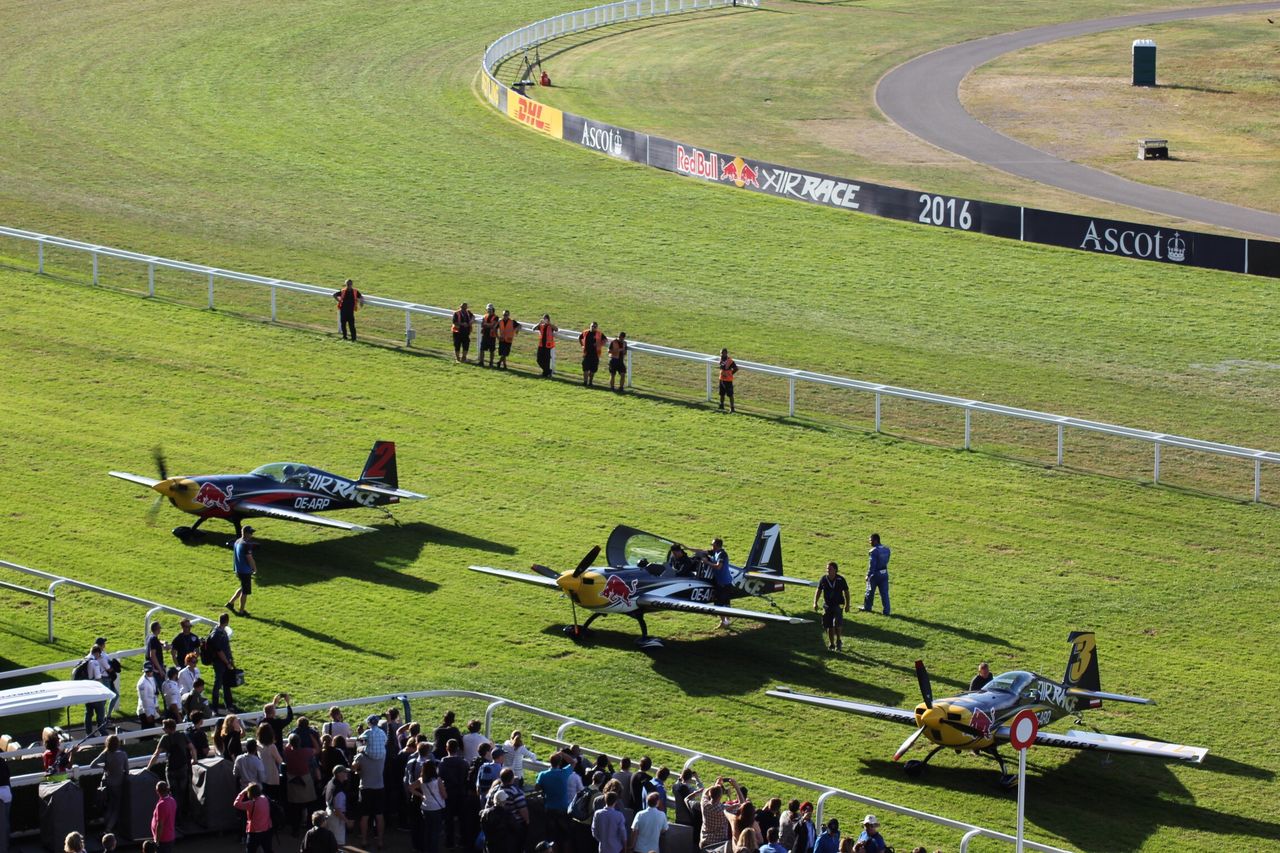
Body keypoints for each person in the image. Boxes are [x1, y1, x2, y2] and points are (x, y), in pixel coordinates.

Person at [147, 719, 196, 820]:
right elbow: (192, 748)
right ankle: (183, 815)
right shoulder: (183, 735)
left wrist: (148, 768)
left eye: (164, 727)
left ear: (168, 729)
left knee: (172, 793)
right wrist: (195, 760)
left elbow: (156, 754)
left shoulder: (165, 738)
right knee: (182, 793)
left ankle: (174, 816)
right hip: (183, 767)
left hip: (171, 769)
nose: (162, 729)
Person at [91, 734, 129, 835]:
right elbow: (127, 771)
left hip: (106, 784)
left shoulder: (106, 754)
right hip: (118, 785)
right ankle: (108, 829)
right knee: (116, 808)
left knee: (109, 806)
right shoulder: (123, 755)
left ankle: (105, 824)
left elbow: (92, 765)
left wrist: (104, 767)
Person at [814, 561, 851, 652]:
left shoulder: (841, 579)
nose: (828, 570)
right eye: (827, 569)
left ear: (835, 570)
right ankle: (831, 644)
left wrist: (847, 605)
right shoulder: (823, 579)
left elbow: (846, 592)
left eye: (830, 569)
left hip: (838, 605)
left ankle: (838, 640)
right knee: (829, 625)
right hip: (827, 605)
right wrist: (815, 602)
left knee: (837, 624)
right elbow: (818, 591)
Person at [413, 760, 447, 853]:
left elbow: (410, 787)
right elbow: (444, 795)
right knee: (435, 832)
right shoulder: (438, 780)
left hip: (425, 807)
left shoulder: (421, 780)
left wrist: (421, 795)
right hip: (436, 808)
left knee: (427, 830)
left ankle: (426, 849)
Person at [208, 612, 238, 713]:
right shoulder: (217, 633)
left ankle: (229, 705)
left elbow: (226, 649)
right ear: (227, 621)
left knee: (226, 684)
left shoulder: (221, 631)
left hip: (224, 662)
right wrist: (227, 662)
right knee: (218, 684)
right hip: (220, 663)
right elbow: (219, 651)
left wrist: (231, 661)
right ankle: (215, 707)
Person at [235, 782, 274, 853]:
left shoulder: (250, 803)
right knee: (268, 850)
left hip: (254, 832)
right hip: (266, 830)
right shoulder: (265, 799)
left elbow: (236, 804)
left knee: (251, 850)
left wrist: (243, 792)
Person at [703, 538, 734, 629]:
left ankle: (725, 622)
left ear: (717, 545)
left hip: (723, 583)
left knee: (720, 604)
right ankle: (725, 622)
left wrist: (707, 562)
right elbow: (701, 551)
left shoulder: (722, 554)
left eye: (712, 544)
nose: (711, 546)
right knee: (723, 603)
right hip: (722, 582)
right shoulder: (715, 552)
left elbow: (718, 567)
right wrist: (686, 547)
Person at [227, 526, 257, 616]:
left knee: (243, 587)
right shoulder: (246, 544)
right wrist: (254, 568)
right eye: (251, 532)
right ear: (246, 533)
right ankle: (241, 611)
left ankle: (230, 603)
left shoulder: (237, 541)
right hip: (245, 571)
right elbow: (249, 558)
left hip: (238, 569)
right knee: (245, 591)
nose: (252, 534)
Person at [324, 765, 354, 845]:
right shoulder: (339, 791)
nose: (347, 774)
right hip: (336, 818)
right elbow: (337, 810)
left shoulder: (331, 782)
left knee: (331, 842)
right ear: (339, 774)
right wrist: (347, 821)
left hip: (329, 813)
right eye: (345, 772)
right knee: (337, 843)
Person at [862, 534, 891, 616]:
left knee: (869, 592)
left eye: (870, 540)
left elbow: (872, 565)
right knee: (885, 593)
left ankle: (867, 607)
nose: (869, 542)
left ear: (875, 540)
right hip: (884, 573)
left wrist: (868, 575)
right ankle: (887, 611)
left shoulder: (873, 551)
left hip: (875, 575)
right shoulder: (887, 549)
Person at [151, 780, 177, 853]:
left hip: (163, 840)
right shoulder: (172, 800)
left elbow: (160, 825)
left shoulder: (161, 805)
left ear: (157, 791)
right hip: (170, 837)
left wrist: (157, 840)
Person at [578, 322, 607, 387]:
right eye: (592, 326)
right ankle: (585, 382)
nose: (593, 328)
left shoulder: (599, 334)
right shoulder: (585, 332)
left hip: (595, 354)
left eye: (595, 327)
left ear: (597, 328)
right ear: (590, 326)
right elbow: (580, 338)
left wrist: (599, 344)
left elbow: (605, 340)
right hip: (586, 353)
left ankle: (590, 382)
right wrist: (582, 345)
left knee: (593, 370)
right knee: (585, 369)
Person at [134, 661, 158, 726]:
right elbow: (144, 700)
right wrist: (148, 714)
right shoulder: (142, 683)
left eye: (150, 671)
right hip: (145, 712)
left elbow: (154, 694)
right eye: (147, 671)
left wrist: (156, 706)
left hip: (151, 709)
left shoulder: (152, 678)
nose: (149, 673)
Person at [146, 622, 167, 688]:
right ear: (157, 629)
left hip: (151, 667)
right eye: (160, 628)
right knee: (163, 688)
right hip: (156, 668)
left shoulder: (150, 637)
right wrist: (160, 670)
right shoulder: (154, 639)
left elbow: (157, 642)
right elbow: (152, 655)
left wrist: (163, 643)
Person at [717, 348, 738, 413]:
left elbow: (736, 368)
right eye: (721, 353)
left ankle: (732, 408)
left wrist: (730, 373)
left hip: (728, 380)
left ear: (726, 353)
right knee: (721, 393)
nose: (721, 354)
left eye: (722, 353)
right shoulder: (721, 359)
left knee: (730, 394)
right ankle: (721, 405)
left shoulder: (730, 361)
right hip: (721, 378)